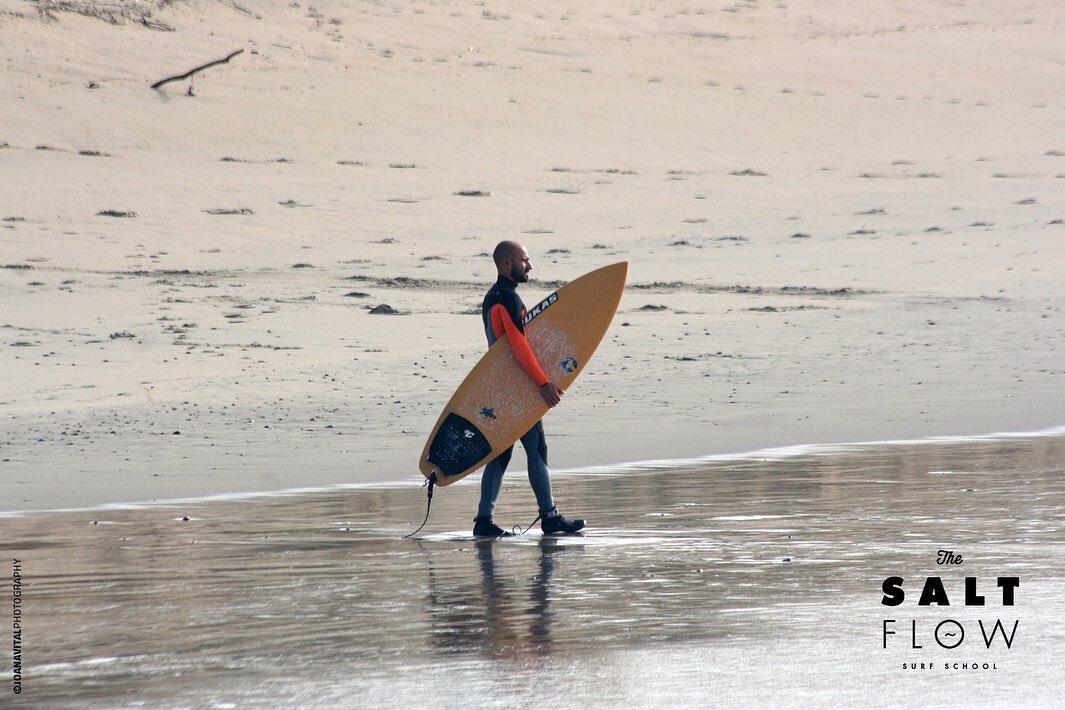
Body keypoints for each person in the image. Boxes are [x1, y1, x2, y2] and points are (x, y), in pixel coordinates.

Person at [473, 241, 586, 537]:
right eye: (525, 260)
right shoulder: (508, 299)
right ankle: (549, 517)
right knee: (536, 446)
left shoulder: (491, 297)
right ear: (507, 263)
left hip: (499, 385)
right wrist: (542, 383)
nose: (530, 265)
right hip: (516, 388)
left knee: (503, 452)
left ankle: (484, 521)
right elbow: (518, 345)